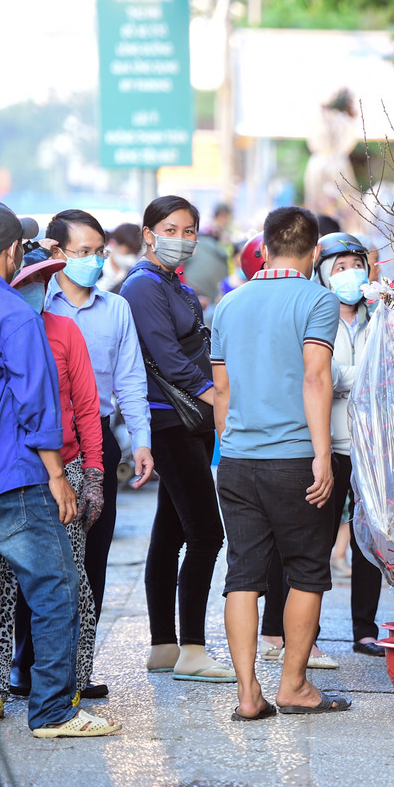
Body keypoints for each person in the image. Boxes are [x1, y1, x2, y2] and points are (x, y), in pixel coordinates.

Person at [0, 201, 119, 737]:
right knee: (56, 591)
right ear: (13, 251)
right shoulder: (14, 313)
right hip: (15, 478)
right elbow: (39, 406)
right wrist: (59, 477)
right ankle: (54, 711)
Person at [5, 209, 155, 700]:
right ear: (55, 252)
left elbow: (130, 381)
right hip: (39, 447)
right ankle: (24, 665)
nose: (93, 261)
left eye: (98, 251)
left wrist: (141, 441)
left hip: (97, 444)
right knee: (33, 560)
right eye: (83, 251)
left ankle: (75, 668)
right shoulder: (33, 304)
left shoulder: (115, 310)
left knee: (91, 558)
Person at [211, 205, 350, 718]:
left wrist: (232, 448)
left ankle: (248, 695)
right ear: (316, 253)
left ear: (264, 247)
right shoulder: (319, 300)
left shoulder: (228, 305)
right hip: (294, 460)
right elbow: (316, 378)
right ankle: (294, 686)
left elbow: (220, 388)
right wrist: (322, 456)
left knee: (242, 575)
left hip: (238, 461)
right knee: (307, 572)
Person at [0, 253, 103, 721]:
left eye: (44, 280)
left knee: (71, 586)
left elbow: (87, 408)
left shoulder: (65, 332)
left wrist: (94, 476)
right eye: (29, 280)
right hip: (6, 476)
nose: (38, 289)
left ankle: (68, 686)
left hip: (63, 473)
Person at [120, 195, 233, 683]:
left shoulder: (172, 283)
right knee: (207, 533)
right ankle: (192, 649)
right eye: (172, 229)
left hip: (186, 420)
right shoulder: (143, 286)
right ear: (148, 233)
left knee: (170, 532)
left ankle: (164, 646)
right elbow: (168, 357)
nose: (183, 240)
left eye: (190, 231)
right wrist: (218, 399)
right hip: (172, 418)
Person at [312, 232, 384, 657]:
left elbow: (392, 370)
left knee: (367, 543)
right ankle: (309, 633)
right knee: (316, 541)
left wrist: (344, 378)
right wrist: (361, 377)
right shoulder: (318, 318)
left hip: (372, 446)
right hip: (328, 445)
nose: (348, 274)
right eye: (339, 268)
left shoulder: (380, 318)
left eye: (355, 265)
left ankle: (364, 629)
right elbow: (326, 377)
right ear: (323, 274)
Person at [183, 203, 233, 308]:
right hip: (196, 292)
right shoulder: (210, 231)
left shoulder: (224, 233)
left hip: (210, 294)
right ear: (222, 215)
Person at [99, 222, 142, 293]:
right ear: (113, 243)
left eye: (135, 253)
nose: (131, 257)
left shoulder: (133, 273)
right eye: (128, 252)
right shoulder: (98, 268)